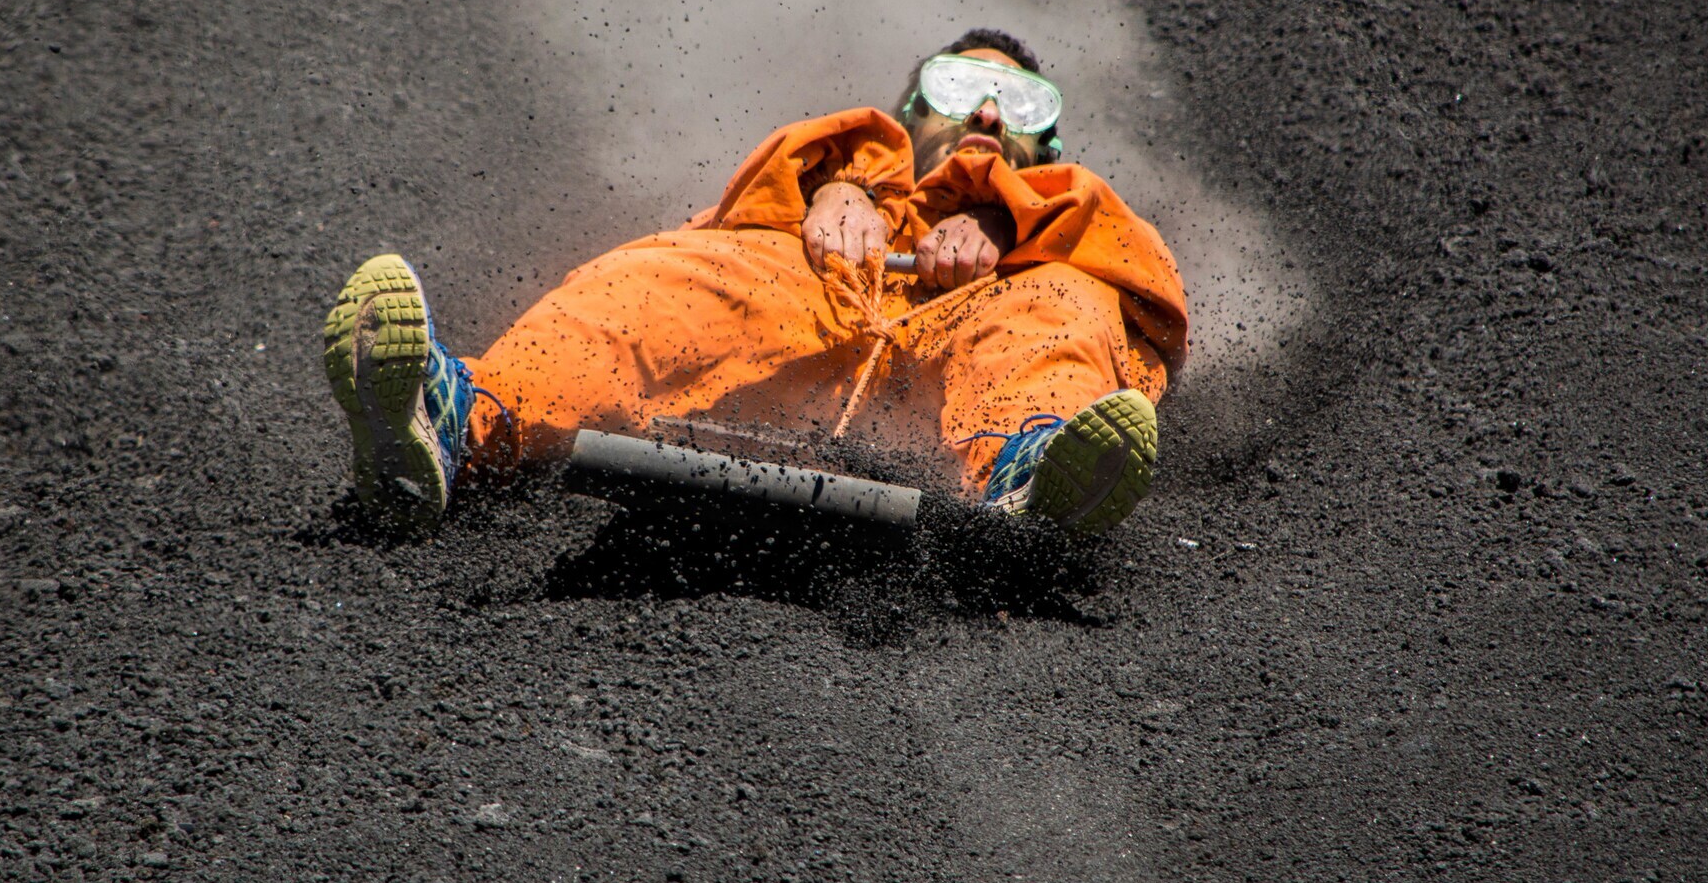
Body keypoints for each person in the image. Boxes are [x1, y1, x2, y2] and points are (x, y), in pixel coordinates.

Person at [321, 29, 1187, 541]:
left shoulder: (1078, 236)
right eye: (958, 88)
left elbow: (1145, 288)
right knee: (667, 277)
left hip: (971, 359)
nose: (989, 114)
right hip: (813, 316)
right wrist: (840, 185)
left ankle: (1028, 474)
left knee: (1060, 310)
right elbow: (739, 211)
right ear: (910, 112)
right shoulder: (819, 185)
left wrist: (1007, 220)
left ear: (1052, 151)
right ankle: (453, 424)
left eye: (1021, 103)